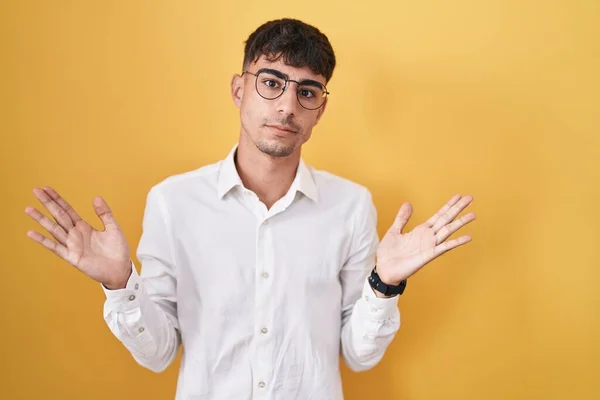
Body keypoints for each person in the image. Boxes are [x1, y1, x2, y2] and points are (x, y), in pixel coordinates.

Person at [25, 18, 476, 399]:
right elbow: (158, 353)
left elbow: (359, 356)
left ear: (320, 110)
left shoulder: (352, 206)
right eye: (271, 83)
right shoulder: (172, 202)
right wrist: (120, 284)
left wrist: (384, 284)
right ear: (239, 89)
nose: (286, 106)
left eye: (307, 92)